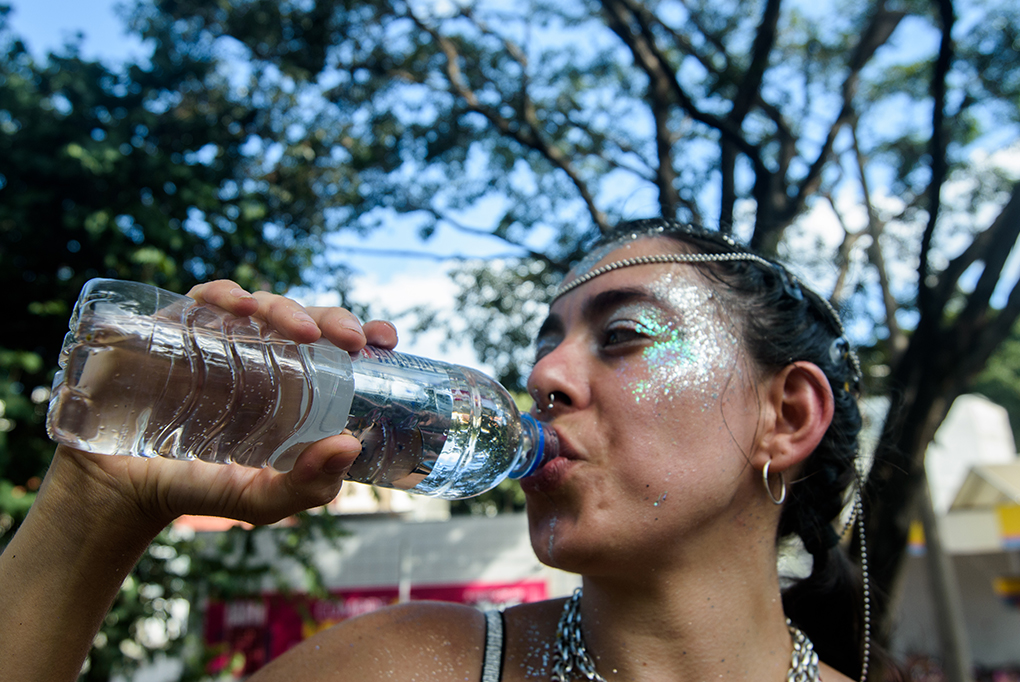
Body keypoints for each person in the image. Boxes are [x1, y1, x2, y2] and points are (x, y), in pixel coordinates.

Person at [1, 219, 870, 682]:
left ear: (786, 416)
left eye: (625, 336)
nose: (545, 375)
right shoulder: (399, 667)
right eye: (547, 342)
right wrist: (95, 506)